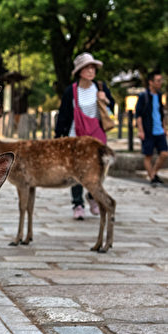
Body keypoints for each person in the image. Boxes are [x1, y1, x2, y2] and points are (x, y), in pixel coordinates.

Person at [56, 52, 115, 220]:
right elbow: (64, 115)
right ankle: (78, 204)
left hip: (97, 137)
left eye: (93, 67)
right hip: (76, 136)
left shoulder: (101, 88)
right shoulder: (71, 91)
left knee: (96, 170)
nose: (91, 71)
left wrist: (106, 101)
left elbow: (110, 113)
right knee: (75, 171)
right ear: (80, 71)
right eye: (87, 68)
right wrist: (59, 135)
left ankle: (92, 196)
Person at [135, 71, 166, 186]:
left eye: (161, 80)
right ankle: (153, 178)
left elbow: (161, 113)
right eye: (158, 81)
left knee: (164, 154)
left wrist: (164, 128)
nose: (160, 83)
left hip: (159, 131)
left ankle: (153, 173)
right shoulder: (143, 96)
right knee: (148, 156)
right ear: (151, 82)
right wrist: (140, 130)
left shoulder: (159, 95)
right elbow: (138, 115)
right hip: (148, 131)